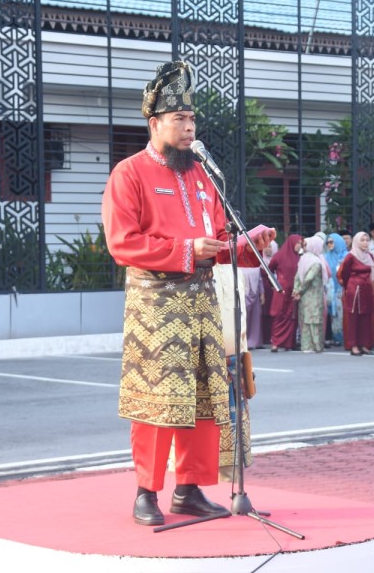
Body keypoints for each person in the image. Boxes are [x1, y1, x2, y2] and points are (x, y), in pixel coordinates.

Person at [101, 60, 276, 527]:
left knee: (205, 397)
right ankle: (146, 492)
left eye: (192, 119)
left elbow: (215, 243)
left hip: (202, 302)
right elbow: (122, 243)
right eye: (180, 120)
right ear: (155, 123)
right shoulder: (130, 173)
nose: (189, 127)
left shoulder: (201, 175)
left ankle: (190, 489)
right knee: (158, 401)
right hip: (156, 306)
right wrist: (185, 249)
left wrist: (245, 242)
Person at [212, 264, 253, 483]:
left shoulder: (235, 268)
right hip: (210, 362)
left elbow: (242, 315)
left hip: (235, 358)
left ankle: (233, 483)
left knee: (235, 426)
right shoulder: (202, 268)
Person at [339, 231, 374, 355]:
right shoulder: (351, 256)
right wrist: (347, 287)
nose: (365, 243)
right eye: (362, 240)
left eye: (367, 240)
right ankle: (353, 344)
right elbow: (343, 273)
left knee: (366, 316)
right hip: (354, 290)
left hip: (367, 289)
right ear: (356, 241)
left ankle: (365, 344)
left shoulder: (370, 256)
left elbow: (373, 273)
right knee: (353, 317)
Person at [293, 236, 328, 353]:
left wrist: (297, 291)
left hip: (303, 296)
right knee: (314, 320)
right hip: (313, 296)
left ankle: (306, 346)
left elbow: (298, 277)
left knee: (306, 320)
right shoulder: (316, 262)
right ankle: (316, 346)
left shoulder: (303, 259)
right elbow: (308, 279)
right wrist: (299, 291)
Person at [268, 235, 302, 352]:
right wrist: (273, 284)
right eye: (298, 243)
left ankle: (289, 343)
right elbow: (270, 269)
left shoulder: (299, 258)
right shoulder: (279, 256)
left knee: (291, 315)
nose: (299, 246)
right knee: (278, 315)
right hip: (281, 290)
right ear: (292, 243)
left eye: (301, 243)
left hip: (293, 290)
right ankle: (275, 343)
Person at [324, 233, 348, 347]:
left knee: (343, 314)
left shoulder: (346, 256)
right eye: (328, 242)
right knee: (333, 315)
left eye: (331, 242)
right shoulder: (326, 257)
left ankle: (346, 337)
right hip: (330, 290)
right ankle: (336, 337)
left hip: (343, 289)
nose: (329, 244)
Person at [240, 264, 264, 349]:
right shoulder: (238, 266)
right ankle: (243, 342)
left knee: (255, 319)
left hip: (255, 295)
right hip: (242, 295)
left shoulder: (256, 265)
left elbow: (260, 280)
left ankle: (254, 342)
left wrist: (262, 294)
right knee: (243, 319)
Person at [260, 240, 278, 345]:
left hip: (275, 290)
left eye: (270, 247)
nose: (268, 249)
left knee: (274, 312)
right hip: (264, 290)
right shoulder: (260, 261)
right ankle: (265, 337)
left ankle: (273, 336)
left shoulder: (277, 260)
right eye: (266, 247)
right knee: (264, 312)